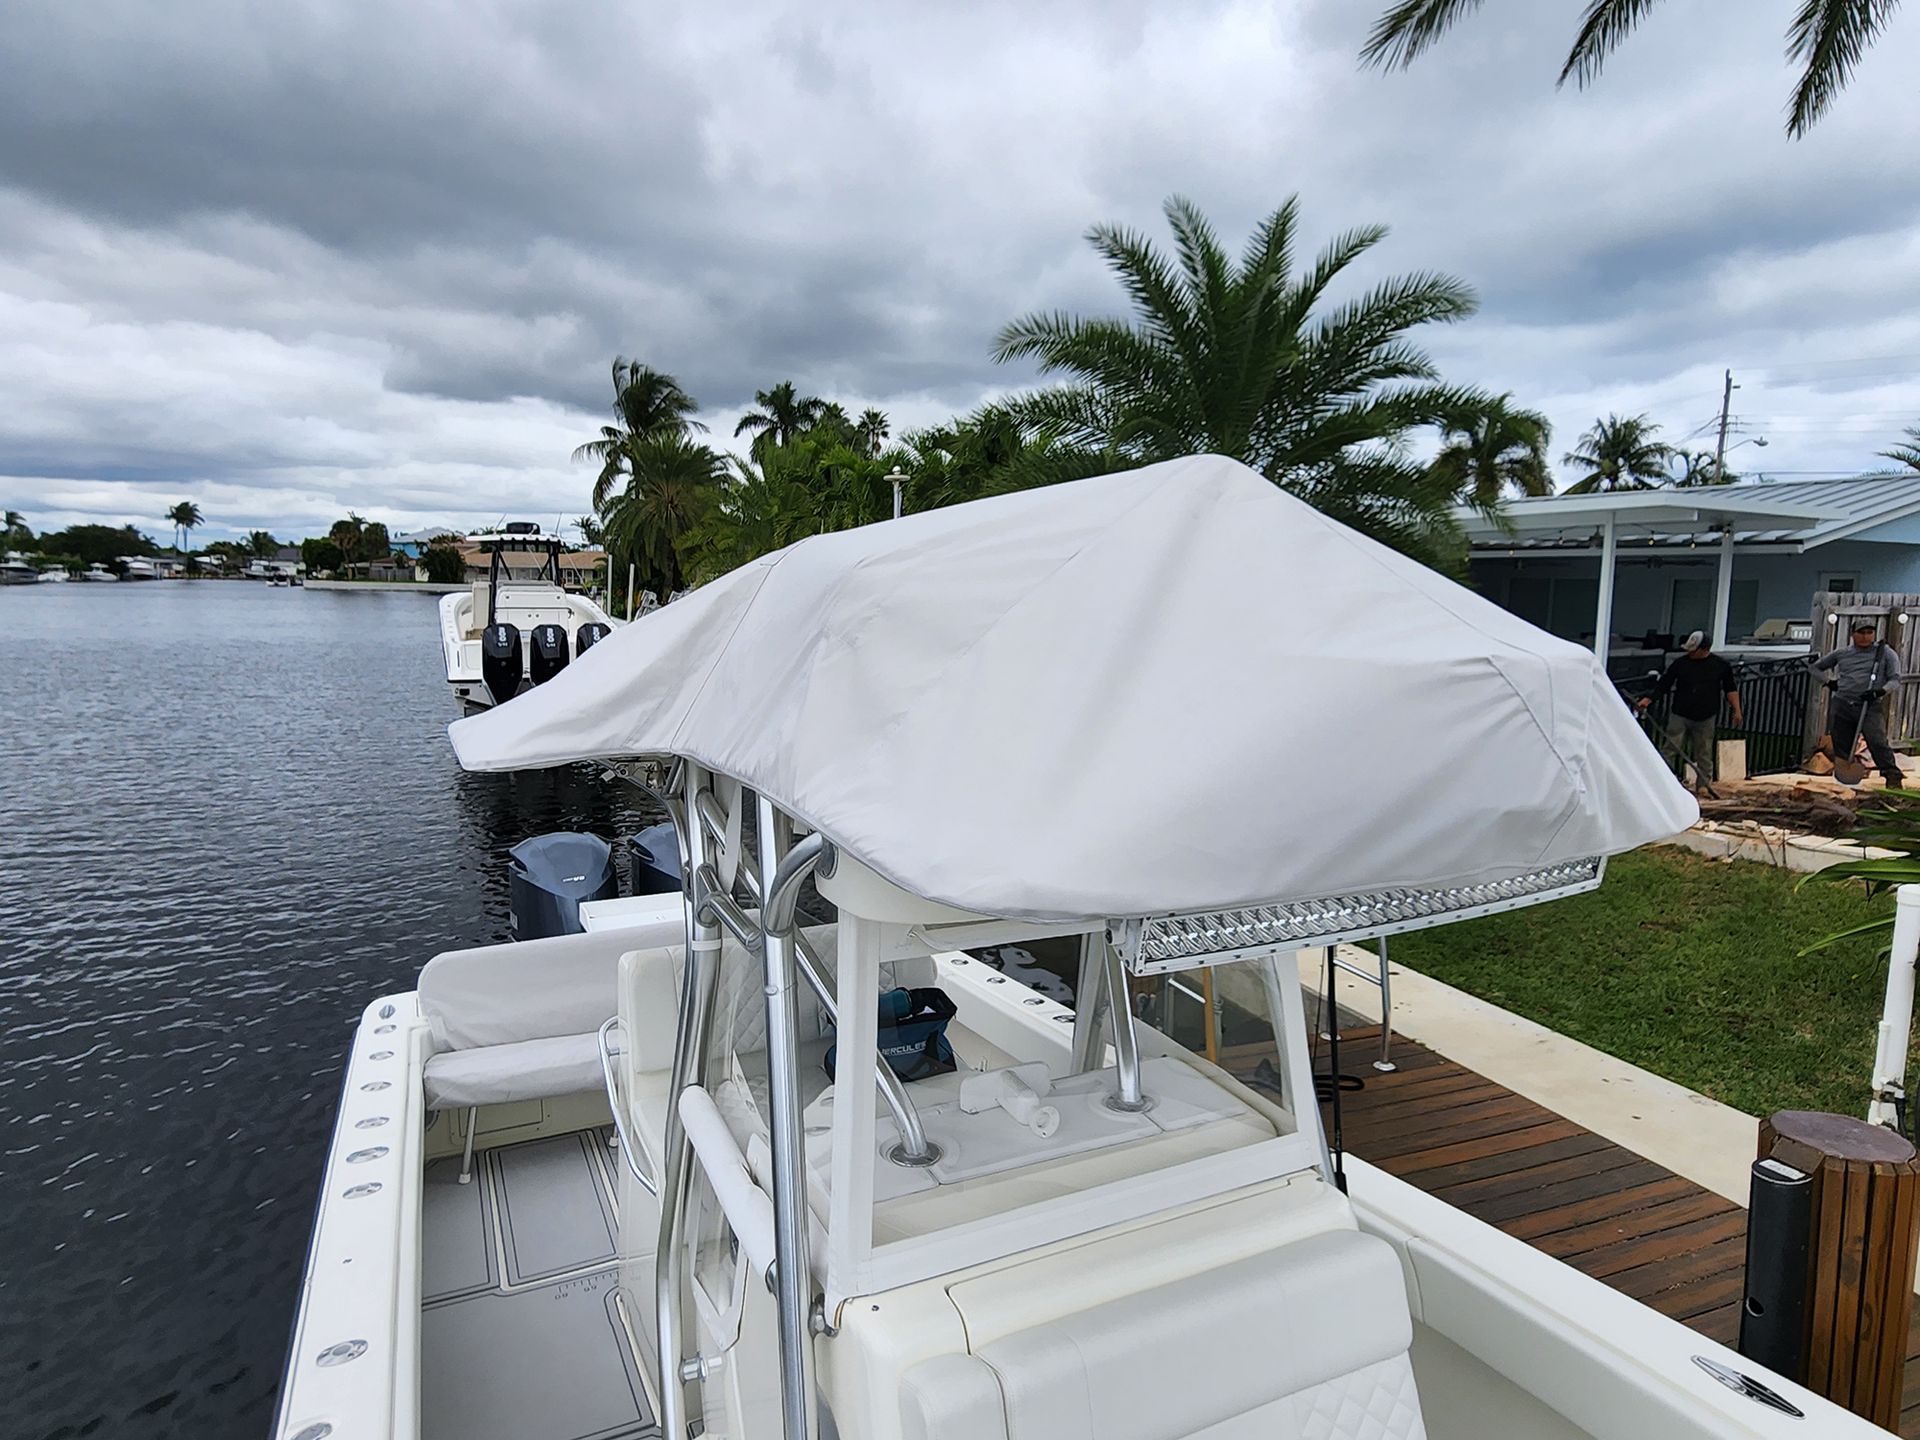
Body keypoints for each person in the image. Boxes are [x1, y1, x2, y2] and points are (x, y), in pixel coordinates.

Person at [1637, 630, 1742, 785]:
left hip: (1706, 714)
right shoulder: (1680, 664)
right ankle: (1663, 783)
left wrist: (1737, 710)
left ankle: (1704, 784)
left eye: (1694, 650)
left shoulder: (1720, 666)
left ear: (1704, 649)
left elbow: (1730, 689)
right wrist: (1649, 699)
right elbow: (1665, 683)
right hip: (1680, 713)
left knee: (1704, 752)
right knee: (1670, 748)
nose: (1690, 653)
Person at [1814, 618, 1904, 789]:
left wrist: (1881, 691)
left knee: (1877, 741)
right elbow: (1815, 668)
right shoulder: (1842, 653)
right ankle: (1845, 779)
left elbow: (1895, 679)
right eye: (1861, 633)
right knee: (1842, 744)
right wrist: (1828, 682)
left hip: (1869, 705)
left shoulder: (1885, 653)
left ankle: (1892, 776)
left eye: (1869, 633)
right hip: (1842, 704)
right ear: (1852, 634)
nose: (1865, 637)